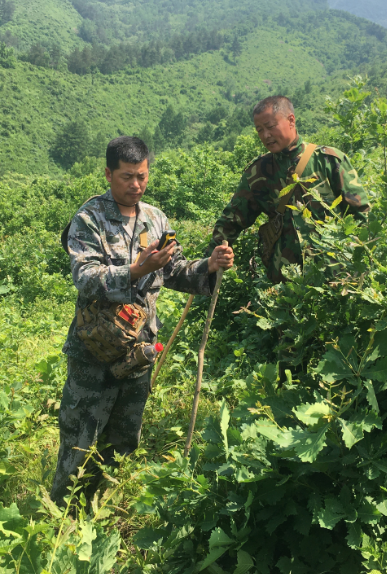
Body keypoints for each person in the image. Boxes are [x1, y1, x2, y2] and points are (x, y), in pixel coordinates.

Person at [51, 136, 234, 506]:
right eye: (126, 177)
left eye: (142, 176)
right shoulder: (89, 218)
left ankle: (95, 505)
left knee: (122, 439)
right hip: (95, 351)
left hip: (139, 351)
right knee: (79, 439)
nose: (136, 185)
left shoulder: (155, 218)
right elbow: (85, 278)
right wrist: (136, 270)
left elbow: (176, 270)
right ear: (108, 174)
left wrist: (208, 266)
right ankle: (60, 518)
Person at [205, 95, 369, 283]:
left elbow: (361, 215)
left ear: (291, 120)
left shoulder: (328, 161)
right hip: (285, 283)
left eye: (270, 126)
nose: (265, 135)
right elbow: (230, 221)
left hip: (336, 276)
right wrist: (206, 265)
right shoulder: (258, 173)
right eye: (259, 130)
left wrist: (362, 266)